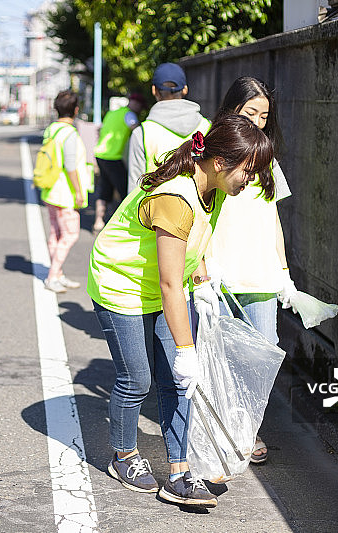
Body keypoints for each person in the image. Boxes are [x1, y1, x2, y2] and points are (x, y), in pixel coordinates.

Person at [88, 114, 274, 507]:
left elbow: (194, 244)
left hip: (161, 284)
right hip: (121, 284)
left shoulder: (216, 188)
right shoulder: (175, 198)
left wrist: (204, 272)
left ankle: (178, 471)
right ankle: (123, 456)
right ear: (220, 162)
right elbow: (170, 284)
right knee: (137, 380)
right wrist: (187, 352)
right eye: (248, 169)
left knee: (177, 380)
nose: (252, 178)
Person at [205, 76, 294, 464]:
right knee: (221, 356)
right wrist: (203, 264)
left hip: (259, 276)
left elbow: (273, 218)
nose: (258, 121)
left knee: (260, 355)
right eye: (250, 112)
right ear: (231, 110)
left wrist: (284, 271)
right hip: (221, 273)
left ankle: (246, 426)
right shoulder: (213, 151)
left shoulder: (268, 160)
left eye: (264, 115)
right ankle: (230, 430)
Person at [126, 62, 211, 193]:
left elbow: (134, 189)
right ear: (185, 89)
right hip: (199, 212)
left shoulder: (142, 133)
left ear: (154, 90)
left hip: (155, 211)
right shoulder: (207, 127)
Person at [41, 90, 94, 293]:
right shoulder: (69, 134)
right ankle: (52, 276)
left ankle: (58, 273)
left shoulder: (51, 130)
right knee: (70, 234)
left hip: (50, 190)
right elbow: (71, 166)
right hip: (65, 194)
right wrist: (79, 193)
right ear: (76, 109)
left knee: (56, 233)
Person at [92, 93, 146, 233]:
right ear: (134, 102)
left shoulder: (112, 113)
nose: (139, 109)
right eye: (139, 106)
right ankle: (125, 225)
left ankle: (98, 222)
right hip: (112, 157)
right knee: (126, 191)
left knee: (105, 188)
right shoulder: (129, 115)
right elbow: (138, 133)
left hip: (100, 154)